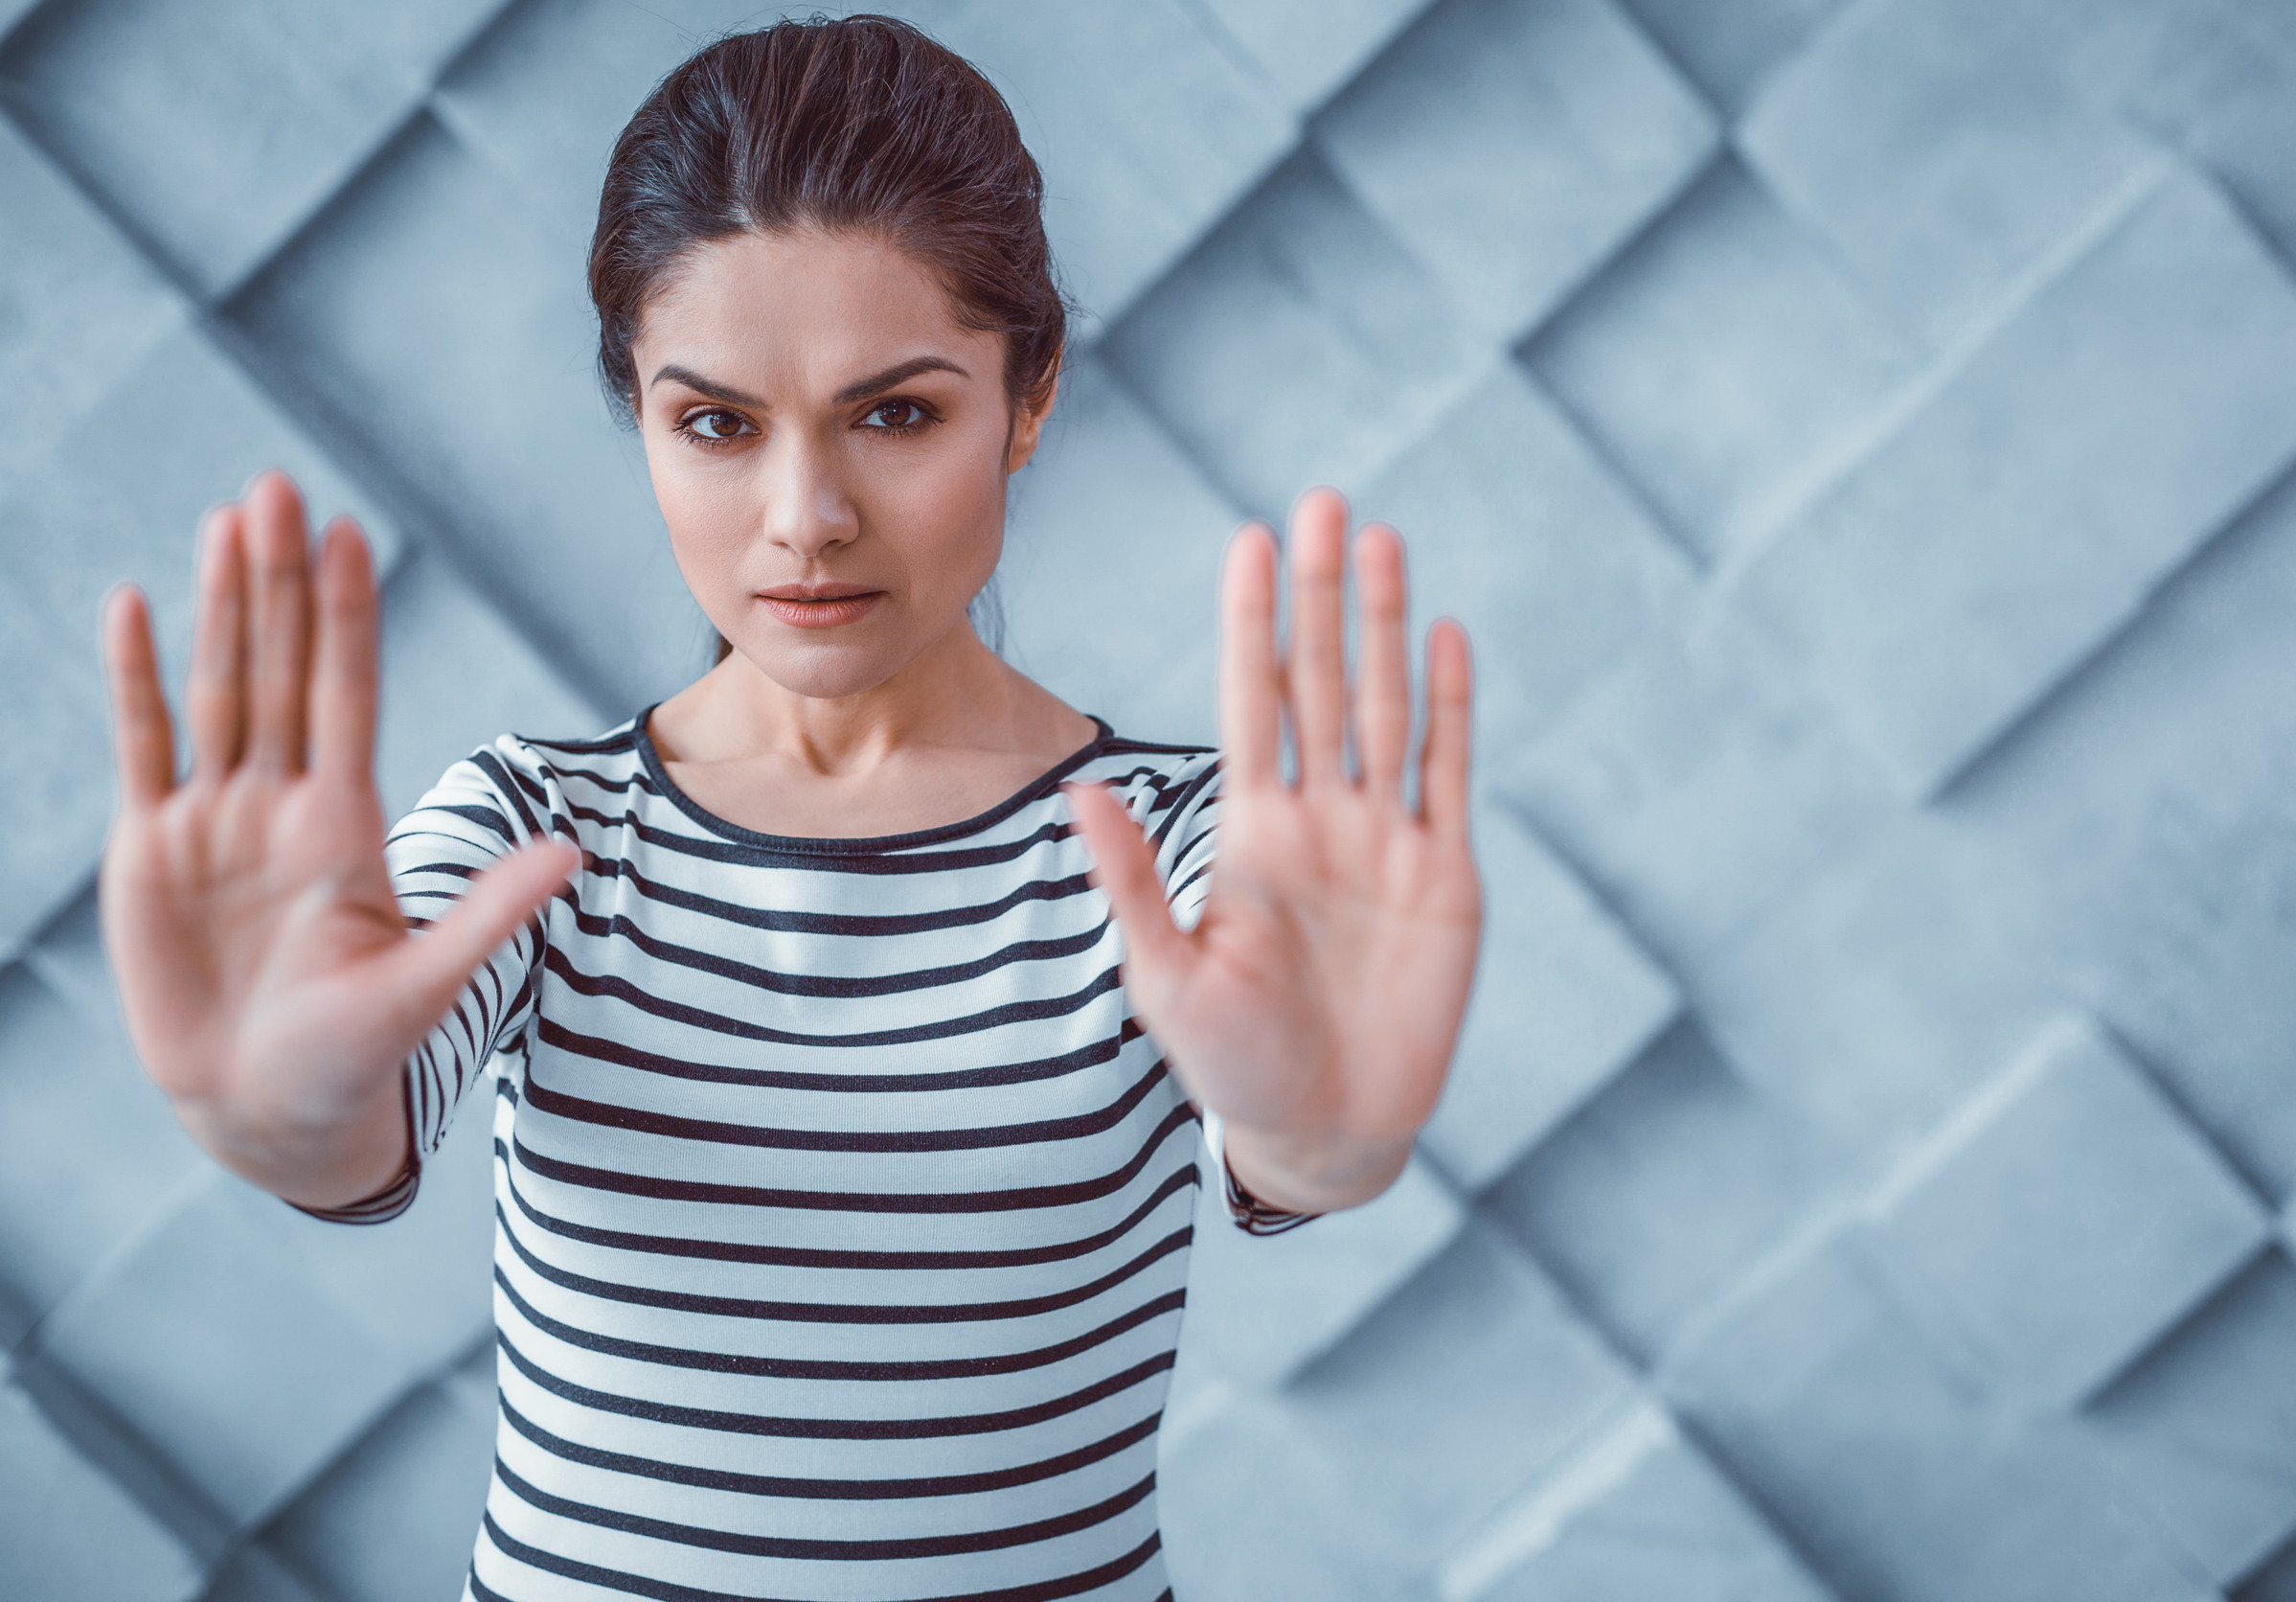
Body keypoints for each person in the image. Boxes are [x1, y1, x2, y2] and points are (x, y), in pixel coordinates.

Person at [95, 15, 1479, 1601]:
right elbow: (350, 1095)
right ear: (638, 413)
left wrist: (1317, 1131)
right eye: (717, 424)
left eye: (896, 414)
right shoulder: (531, 830)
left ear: (1028, 399)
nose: (805, 519)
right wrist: (281, 1116)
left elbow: (1293, 1102)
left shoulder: (1180, 854)